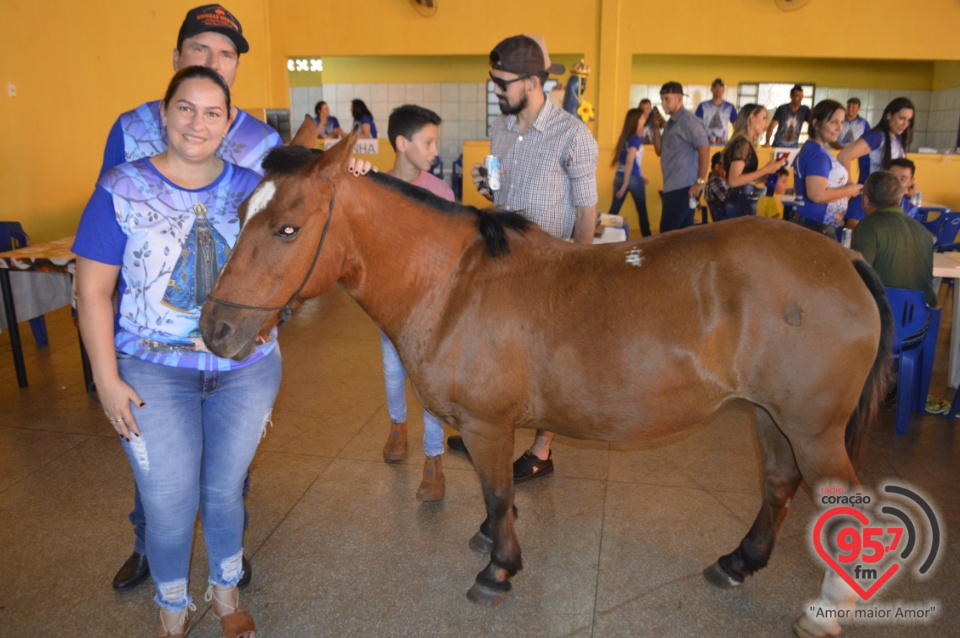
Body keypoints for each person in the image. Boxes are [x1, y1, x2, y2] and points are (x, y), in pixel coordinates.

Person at [76, 65, 278, 638]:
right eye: (185, 108)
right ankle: (171, 606)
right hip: (151, 372)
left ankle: (225, 591)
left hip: (244, 371)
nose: (197, 122)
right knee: (166, 501)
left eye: (212, 112)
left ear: (228, 122)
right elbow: (91, 290)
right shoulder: (123, 186)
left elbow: (301, 249)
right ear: (164, 114)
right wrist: (106, 380)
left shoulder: (253, 191)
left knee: (223, 490)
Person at [446, 34, 598, 483]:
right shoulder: (501, 128)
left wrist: (580, 271)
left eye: (501, 83)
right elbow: (498, 186)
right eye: (493, 81)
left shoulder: (572, 134)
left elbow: (587, 210)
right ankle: (489, 431)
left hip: (551, 270)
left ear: (533, 82)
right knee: (498, 357)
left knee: (547, 366)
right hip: (502, 264)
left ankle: (541, 449)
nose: (495, 90)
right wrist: (489, 186)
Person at [99, 4, 282, 180]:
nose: (213, 64)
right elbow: (109, 202)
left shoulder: (265, 144)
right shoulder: (131, 129)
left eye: (226, 54)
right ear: (176, 58)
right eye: (200, 49)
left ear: (236, 66)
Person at [381, 104, 455, 501]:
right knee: (393, 374)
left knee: (427, 387)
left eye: (435, 143)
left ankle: (433, 458)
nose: (433, 151)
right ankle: (397, 426)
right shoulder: (376, 186)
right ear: (401, 143)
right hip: (390, 310)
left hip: (430, 312)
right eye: (427, 143)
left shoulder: (440, 192)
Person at [851, 171, 936, 307]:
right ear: (900, 199)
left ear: (866, 199)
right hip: (924, 321)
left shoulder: (868, 227)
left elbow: (856, 278)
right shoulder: (923, 230)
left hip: (886, 318)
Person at [791, 100, 863, 237]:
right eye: (833, 122)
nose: (839, 128)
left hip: (812, 223)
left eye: (842, 122)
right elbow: (816, 195)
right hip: (815, 225)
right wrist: (850, 190)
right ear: (816, 124)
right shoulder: (818, 155)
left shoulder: (813, 149)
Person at [651, 81, 710, 232]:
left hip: (684, 189)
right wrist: (656, 127)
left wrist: (700, 181)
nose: (663, 104)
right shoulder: (671, 123)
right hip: (673, 187)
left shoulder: (688, 121)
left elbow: (704, 148)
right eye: (662, 99)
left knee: (666, 236)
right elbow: (659, 150)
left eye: (667, 99)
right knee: (683, 237)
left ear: (679, 99)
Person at [721, 103, 788, 218]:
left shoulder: (745, 143)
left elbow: (743, 177)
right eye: (764, 118)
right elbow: (734, 180)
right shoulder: (743, 144)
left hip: (741, 199)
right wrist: (765, 169)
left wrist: (763, 177)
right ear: (752, 117)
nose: (765, 125)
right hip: (740, 202)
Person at [838, 97, 915, 184]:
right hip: (869, 194)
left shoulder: (898, 138)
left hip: (889, 194)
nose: (905, 124)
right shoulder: (877, 136)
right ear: (889, 115)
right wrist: (849, 187)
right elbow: (843, 156)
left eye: (909, 120)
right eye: (901, 118)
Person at [608, 108, 651, 237]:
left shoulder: (626, 137)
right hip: (631, 178)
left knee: (613, 212)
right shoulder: (637, 137)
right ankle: (648, 239)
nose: (645, 119)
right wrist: (626, 184)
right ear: (637, 121)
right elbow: (629, 160)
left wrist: (641, 176)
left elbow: (630, 160)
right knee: (642, 211)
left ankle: (601, 236)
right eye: (642, 117)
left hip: (620, 176)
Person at [695, 78, 738, 145]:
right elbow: (696, 126)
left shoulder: (729, 107)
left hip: (723, 146)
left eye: (720, 87)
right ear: (711, 89)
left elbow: (737, 127)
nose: (718, 89)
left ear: (724, 90)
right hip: (705, 145)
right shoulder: (703, 106)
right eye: (715, 87)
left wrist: (732, 142)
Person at [705, 152, 728, 222]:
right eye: (727, 167)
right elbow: (731, 203)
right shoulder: (715, 181)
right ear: (717, 167)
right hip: (724, 225)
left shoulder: (720, 180)